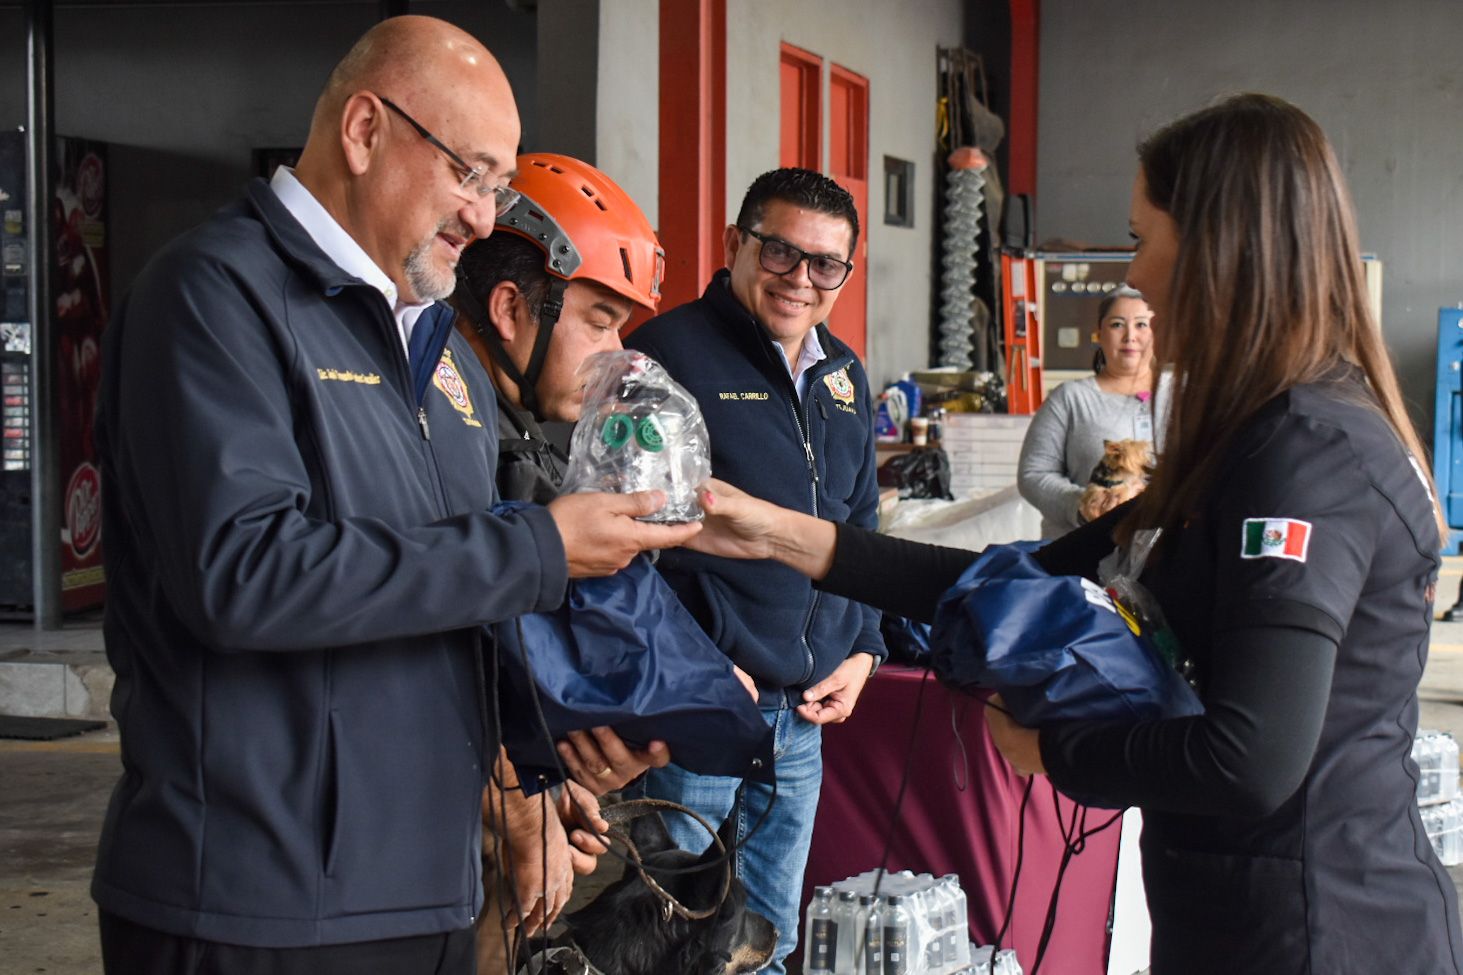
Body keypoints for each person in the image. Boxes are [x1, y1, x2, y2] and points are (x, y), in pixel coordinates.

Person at [683, 94, 1463, 974]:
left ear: (1211, 246)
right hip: (1230, 909)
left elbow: (1250, 757)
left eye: (1141, 238)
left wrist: (1053, 750)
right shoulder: (1246, 444)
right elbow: (1016, 579)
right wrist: (780, 535)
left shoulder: (1304, 457)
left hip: (1317, 925)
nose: (1138, 281)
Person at [91, 17, 699, 975]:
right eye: (471, 173)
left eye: (498, 188)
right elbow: (243, 573)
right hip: (257, 906)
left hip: (422, 890)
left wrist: (540, 758)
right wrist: (537, 546)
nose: (485, 216)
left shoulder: (439, 354)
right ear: (365, 130)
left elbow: (440, 594)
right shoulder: (212, 299)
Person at [623, 167, 887, 974]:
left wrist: (863, 647)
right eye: (780, 252)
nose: (800, 280)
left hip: (801, 721)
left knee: (767, 947)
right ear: (735, 243)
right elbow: (625, 540)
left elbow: (860, 524)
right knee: (669, 944)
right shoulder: (661, 357)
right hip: (699, 713)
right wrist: (691, 664)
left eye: (825, 265)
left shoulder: (842, 374)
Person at [451, 152, 678, 973]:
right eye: (599, 320)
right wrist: (517, 801)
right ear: (511, 307)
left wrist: (551, 774)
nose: (615, 355)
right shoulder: (440, 433)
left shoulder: (501, 432)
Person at [1017, 285, 1169, 537]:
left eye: (1142, 324)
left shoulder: (1183, 393)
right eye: (1117, 324)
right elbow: (1033, 474)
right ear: (1099, 334)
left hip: (1164, 552)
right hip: (1084, 549)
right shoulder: (1070, 398)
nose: (1130, 336)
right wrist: (1081, 504)